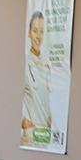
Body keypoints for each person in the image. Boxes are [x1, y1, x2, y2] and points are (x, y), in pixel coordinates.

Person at [21, 10, 53, 144]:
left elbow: (47, 97)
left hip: (44, 134)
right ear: (29, 33)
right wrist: (22, 120)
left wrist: (51, 118)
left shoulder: (47, 64)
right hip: (29, 135)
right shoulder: (24, 62)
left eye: (41, 31)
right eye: (35, 31)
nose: (38, 36)